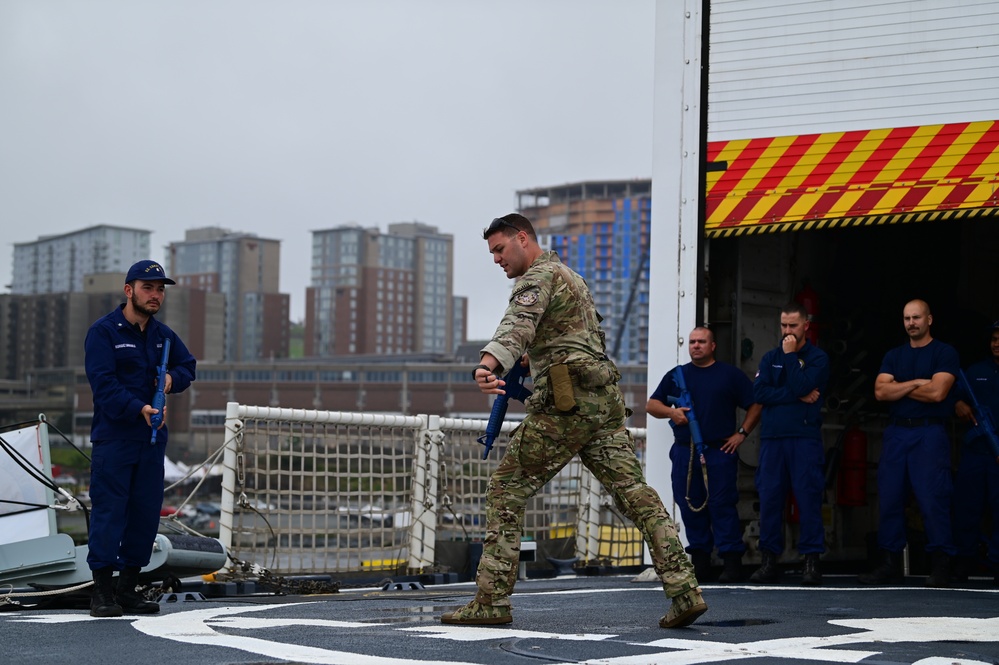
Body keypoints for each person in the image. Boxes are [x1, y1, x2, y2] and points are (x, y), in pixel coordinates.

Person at [440, 213, 706, 629]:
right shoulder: (571, 277)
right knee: (637, 496)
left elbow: (517, 325)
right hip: (602, 405)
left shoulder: (536, 279)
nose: (496, 260)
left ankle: (491, 601)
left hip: (566, 407)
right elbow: (570, 338)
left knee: (505, 488)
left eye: (499, 249)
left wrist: (488, 364)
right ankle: (685, 590)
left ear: (522, 239)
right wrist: (534, 360)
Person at [84, 260, 196, 617]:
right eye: (148, 287)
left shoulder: (164, 336)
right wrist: (139, 409)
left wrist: (171, 380)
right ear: (128, 290)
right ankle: (101, 593)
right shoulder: (104, 332)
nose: (156, 295)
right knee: (108, 513)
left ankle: (128, 589)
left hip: (152, 442)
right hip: (115, 439)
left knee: (145, 515)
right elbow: (103, 386)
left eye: (160, 288)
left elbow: (188, 367)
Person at [647, 327, 761, 583]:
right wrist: (672, 413)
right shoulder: (677, 375)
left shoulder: (729, 375)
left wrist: (742, 433)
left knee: (722, 504)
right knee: (689, 503)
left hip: (719, 449)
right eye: (692, 342)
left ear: (713, 346)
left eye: (701, 342)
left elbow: (756, 403)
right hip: (684, 450)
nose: (696, 346)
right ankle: (701, 562)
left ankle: (731, 562)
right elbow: (652, 405)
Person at [859, 299, 958, 587]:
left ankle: (942, 563)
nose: (911, 323)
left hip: (928, 433)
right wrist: (917, 383)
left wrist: (899, 387)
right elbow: (879, 392)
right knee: (889, 498)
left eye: (916, 317)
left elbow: (938, 393)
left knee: (932, 498)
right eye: (906, 318)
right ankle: (889, 563)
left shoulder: (944, 353)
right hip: (896, 433)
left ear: (929, 319)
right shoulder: (894, 355)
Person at [749, 302, 830, 586]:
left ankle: (811, 560)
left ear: (805, 325)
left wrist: (792, 358)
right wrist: (796, 395)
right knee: (770, 498)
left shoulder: (818, 358)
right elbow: (759, 392)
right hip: (772, 439)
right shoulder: (769, 357)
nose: (787, 331)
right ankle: (769, 560)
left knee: (808, 498)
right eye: (783, 325)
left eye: (793, 326)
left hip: (804, 438)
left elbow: (802, 387)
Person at [951, 321, 999, 585]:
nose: (997, 343)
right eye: (993, 338)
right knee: (966, 507)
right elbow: (954, 396)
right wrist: (958, 403)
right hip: (976, 452)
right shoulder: (976, 371)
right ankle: (964, 560)